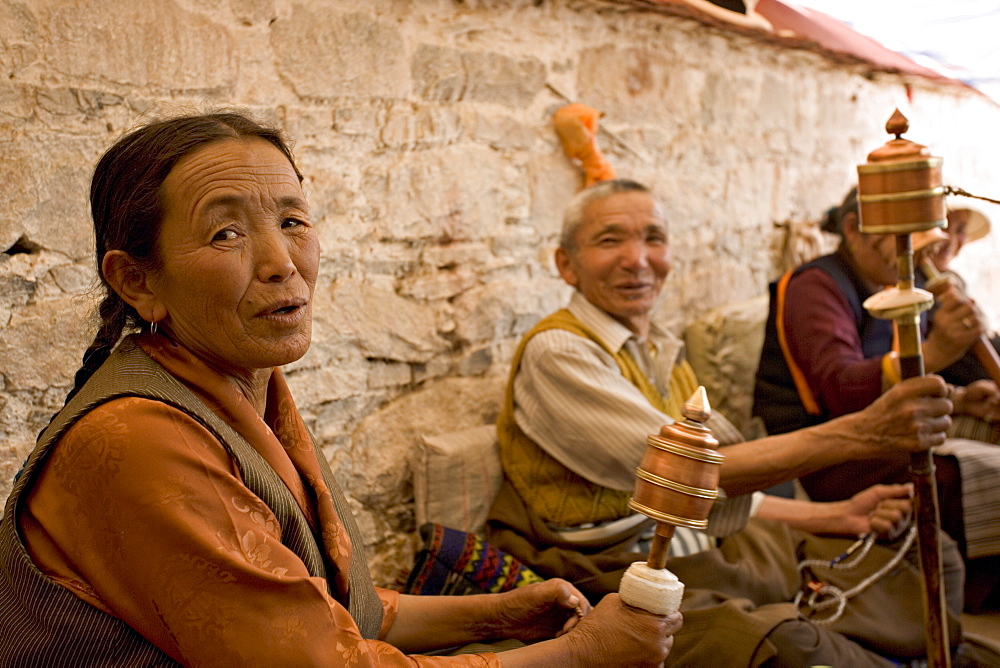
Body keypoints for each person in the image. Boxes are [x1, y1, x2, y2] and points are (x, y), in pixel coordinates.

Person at [0, 113, 680, 666]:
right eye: (226, 232)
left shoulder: (241, 393)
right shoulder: (141, 441)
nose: (281, 263)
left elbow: (330, 613)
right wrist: (587, 655)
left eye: (293, 222)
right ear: (137, 281)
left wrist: (499, 612)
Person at [485, 178, 970, 666]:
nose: (637, 259)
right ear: (566, 265)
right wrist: (865, 432)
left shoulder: (660, 348)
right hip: (619, 572)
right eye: (610, 240)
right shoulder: (559, 352)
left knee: (930, 554)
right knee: (788, 643)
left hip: (699, 543)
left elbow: (716, 478)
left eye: (654, 239)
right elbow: (690, 474)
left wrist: (835, 514)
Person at [753, 187, 1000, 611]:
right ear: (853, 230)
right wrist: (938, 349)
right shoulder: (815, 285)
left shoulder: (905, 284)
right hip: (829, 450)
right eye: (901, 237)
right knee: (953, 480)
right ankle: (975, 595)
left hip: (888, 430)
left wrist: (960, 400)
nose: (915, 251)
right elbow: (838, 388)